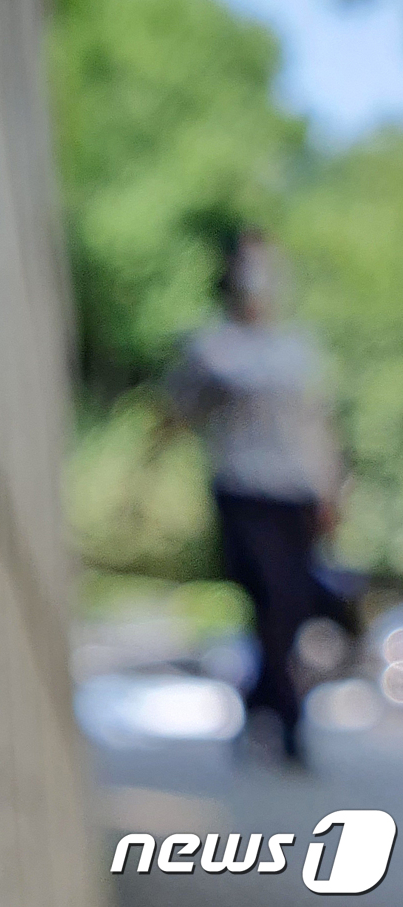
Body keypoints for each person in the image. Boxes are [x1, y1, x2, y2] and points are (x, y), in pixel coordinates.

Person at [164, 226, 344, 766]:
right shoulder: (213, 346)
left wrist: (333, 489)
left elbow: (320, 427)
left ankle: (261, 704)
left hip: (297, 495)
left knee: (291, 606)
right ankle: (289, 724)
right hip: (243, 492)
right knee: (271, 601)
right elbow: (179, 413)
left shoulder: (299, 349)